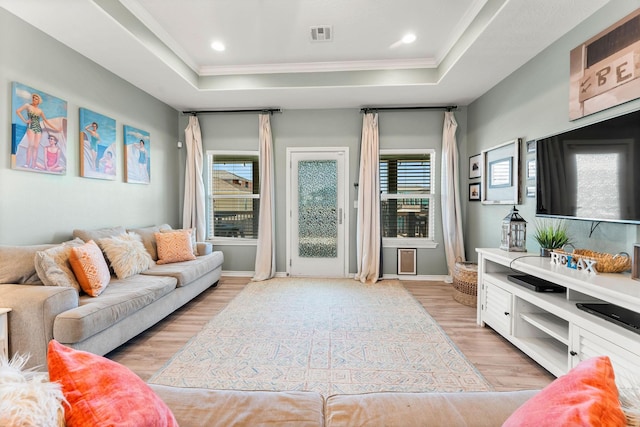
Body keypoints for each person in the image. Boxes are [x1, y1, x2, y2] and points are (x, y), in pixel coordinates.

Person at [15, 93, 61, 169]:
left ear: (39, 101)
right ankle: (27, 163)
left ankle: (33, 165)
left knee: (36, 147)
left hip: (38, 128)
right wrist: (25, 121)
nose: (34, 100)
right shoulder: (28, 106)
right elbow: (17, 111)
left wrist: (56, 129)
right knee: (30, 146)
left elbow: (45, 120)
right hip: (31, 127)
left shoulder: (40, 110)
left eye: (36, 99)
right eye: (33, 98)